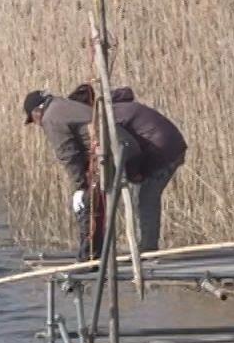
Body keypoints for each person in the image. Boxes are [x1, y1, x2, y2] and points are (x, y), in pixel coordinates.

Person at [23, 85, 187, 256]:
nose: (37, 125)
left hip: (162, 149)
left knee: (144, 199)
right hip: (165, 144)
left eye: (33, 120)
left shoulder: (53, 117)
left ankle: (146, 253)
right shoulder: (90, 112)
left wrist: (80, 188)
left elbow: (69, 155)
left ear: (37, 111)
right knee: (135, 198)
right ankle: (139, 249)